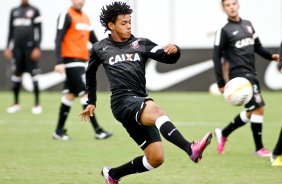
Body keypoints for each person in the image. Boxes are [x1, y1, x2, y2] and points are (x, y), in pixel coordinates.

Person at [79, 2, 212, 183]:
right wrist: (91, 101)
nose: (128, 26)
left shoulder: (141, 43)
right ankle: (191, 148)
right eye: (123, 23)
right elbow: (90, 73)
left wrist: (174, 51)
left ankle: (113, 175)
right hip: (121, 102)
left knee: (156, 158)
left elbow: (166, 56)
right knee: (156, 111)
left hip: (138, 100)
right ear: (111, 25)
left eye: (129, 22)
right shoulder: (99, 48)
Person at [213, 0, 279, 157]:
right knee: (258, 108)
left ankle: (223, 132)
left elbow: (258, 47)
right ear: (223, 9)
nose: (231, 7)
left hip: (251, 72)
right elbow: (216, 57)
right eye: (228, 5)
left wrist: (271, 56)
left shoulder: (248, 25)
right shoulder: (223, 30)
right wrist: (221, 82)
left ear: (238, 5)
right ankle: (259, 149)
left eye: (233, 3)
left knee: (253, 110)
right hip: (239, 76)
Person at [53, 0, 112, 140]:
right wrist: (58, 62)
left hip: (81, 61)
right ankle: (98, 130)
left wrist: (105, 53)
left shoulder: (85, 18)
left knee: (69, 95)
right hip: (70, 62)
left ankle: (58, 131)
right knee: (86, 94)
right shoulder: (66, 15)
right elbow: (58, 39)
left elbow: (94, 40)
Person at [4, 0, 42, 114]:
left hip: (30, 49)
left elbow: (39, 30)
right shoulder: (14, 11)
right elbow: (10, 30)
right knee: (16, 74)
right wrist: (7, 47)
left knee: (33, 75)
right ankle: (16, 104)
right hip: (17, 49)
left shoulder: (35, 10)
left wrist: (37, 47)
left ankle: (37, 104)